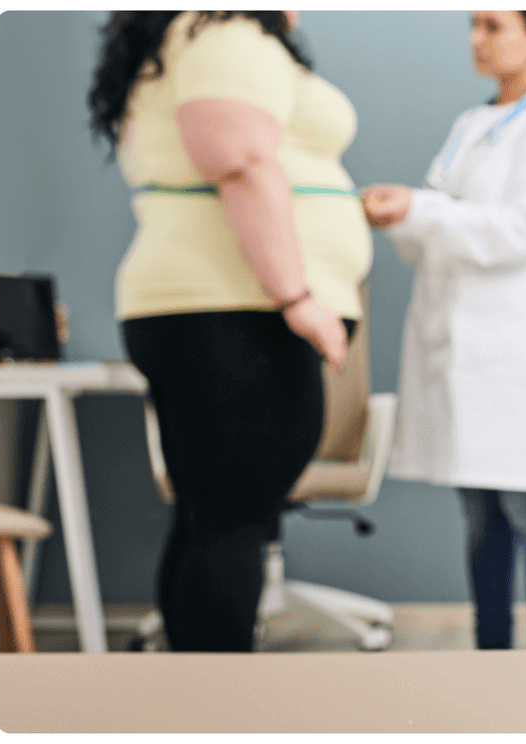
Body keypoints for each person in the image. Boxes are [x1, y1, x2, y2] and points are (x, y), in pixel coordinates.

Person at [87, 10, 372, 651]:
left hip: (211, 307)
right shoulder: (224, 34)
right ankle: (221, 713)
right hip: (234, 309)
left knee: (211, 517)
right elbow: (239, 160)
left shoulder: (194, 37)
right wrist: (296, 297)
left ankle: (192, 708)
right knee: (233, 520)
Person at [362, 10, 526, 650]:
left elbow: (524, 230)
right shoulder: (472, 125)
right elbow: (440, 229)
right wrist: (404, 215)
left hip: (512, 344)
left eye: (494, 26)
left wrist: (423, 210)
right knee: (480, 517)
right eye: (473, 25)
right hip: (461, 342)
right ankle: (490, 658)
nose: (477, 39)